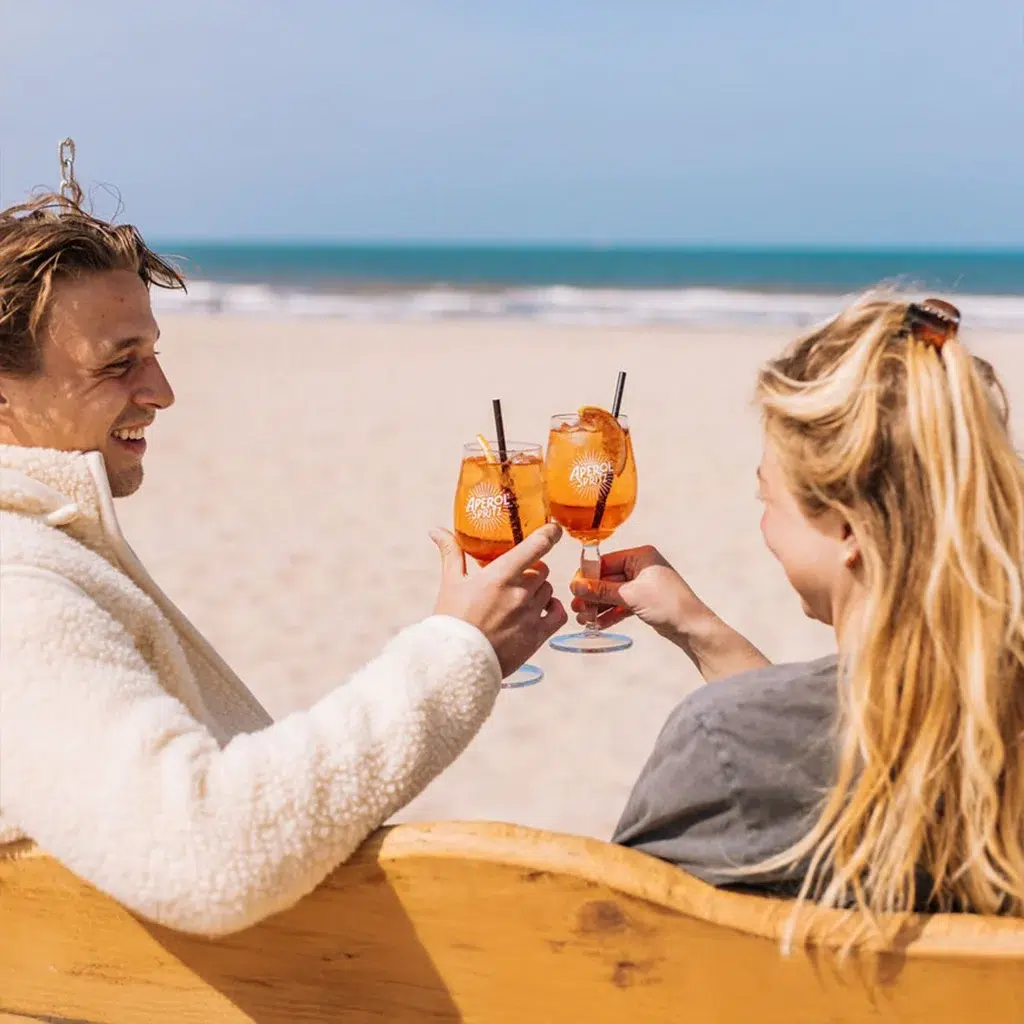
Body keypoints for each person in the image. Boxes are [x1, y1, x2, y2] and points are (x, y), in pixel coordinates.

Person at [0, 193, 566, 936]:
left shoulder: (57, 544)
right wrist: (453, 650)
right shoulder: (21, 588)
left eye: (155, 353)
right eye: (119, 364)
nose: (162, 393)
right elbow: (203, 854)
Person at [573, 294, 1024, 936]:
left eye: (768, 495)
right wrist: (701, 631)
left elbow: (611, 951)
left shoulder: (723, 746)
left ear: (846, 526)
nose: (765, 522)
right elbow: (839, 731)